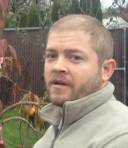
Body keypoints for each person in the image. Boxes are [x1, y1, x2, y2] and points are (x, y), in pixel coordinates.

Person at [34, 15, 128, 148]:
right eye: (51, 56)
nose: (57, 66)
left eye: (75, 57)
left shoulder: (119, 137)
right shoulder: (59, 125)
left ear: (106, 70)